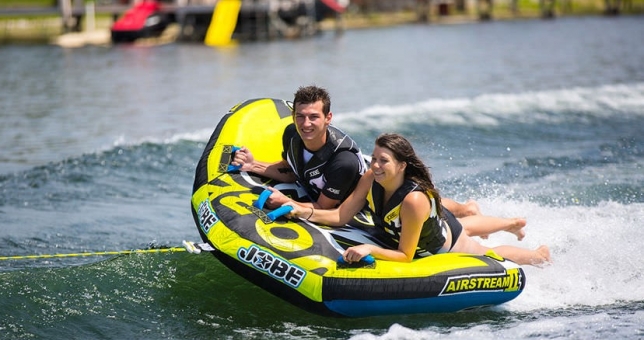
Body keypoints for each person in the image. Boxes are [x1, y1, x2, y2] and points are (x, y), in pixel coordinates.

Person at [284, 133, 551, 267]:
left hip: (441, 244)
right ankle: (509, 224)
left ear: (402, 165)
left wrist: (369, 250)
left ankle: (537, 255)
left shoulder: (413, 201)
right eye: (374, 158)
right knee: (464, 225)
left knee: (486, 252)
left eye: (383, 161)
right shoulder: (370, 178)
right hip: (427, 222)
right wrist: (300, 211)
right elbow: (341, 215)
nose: (375, 165)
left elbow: (405, 255)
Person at [232, 85, 481, 216]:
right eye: (300, 116)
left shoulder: (342, 162)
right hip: (343, 182)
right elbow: (293, 171)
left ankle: (467, 210)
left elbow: (325, 208)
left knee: (426, 208)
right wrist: (253, 165)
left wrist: (287, 202)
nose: (305, 124)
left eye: (313, 117)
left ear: (328, 118)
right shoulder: (292, 135)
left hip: (378, 192)